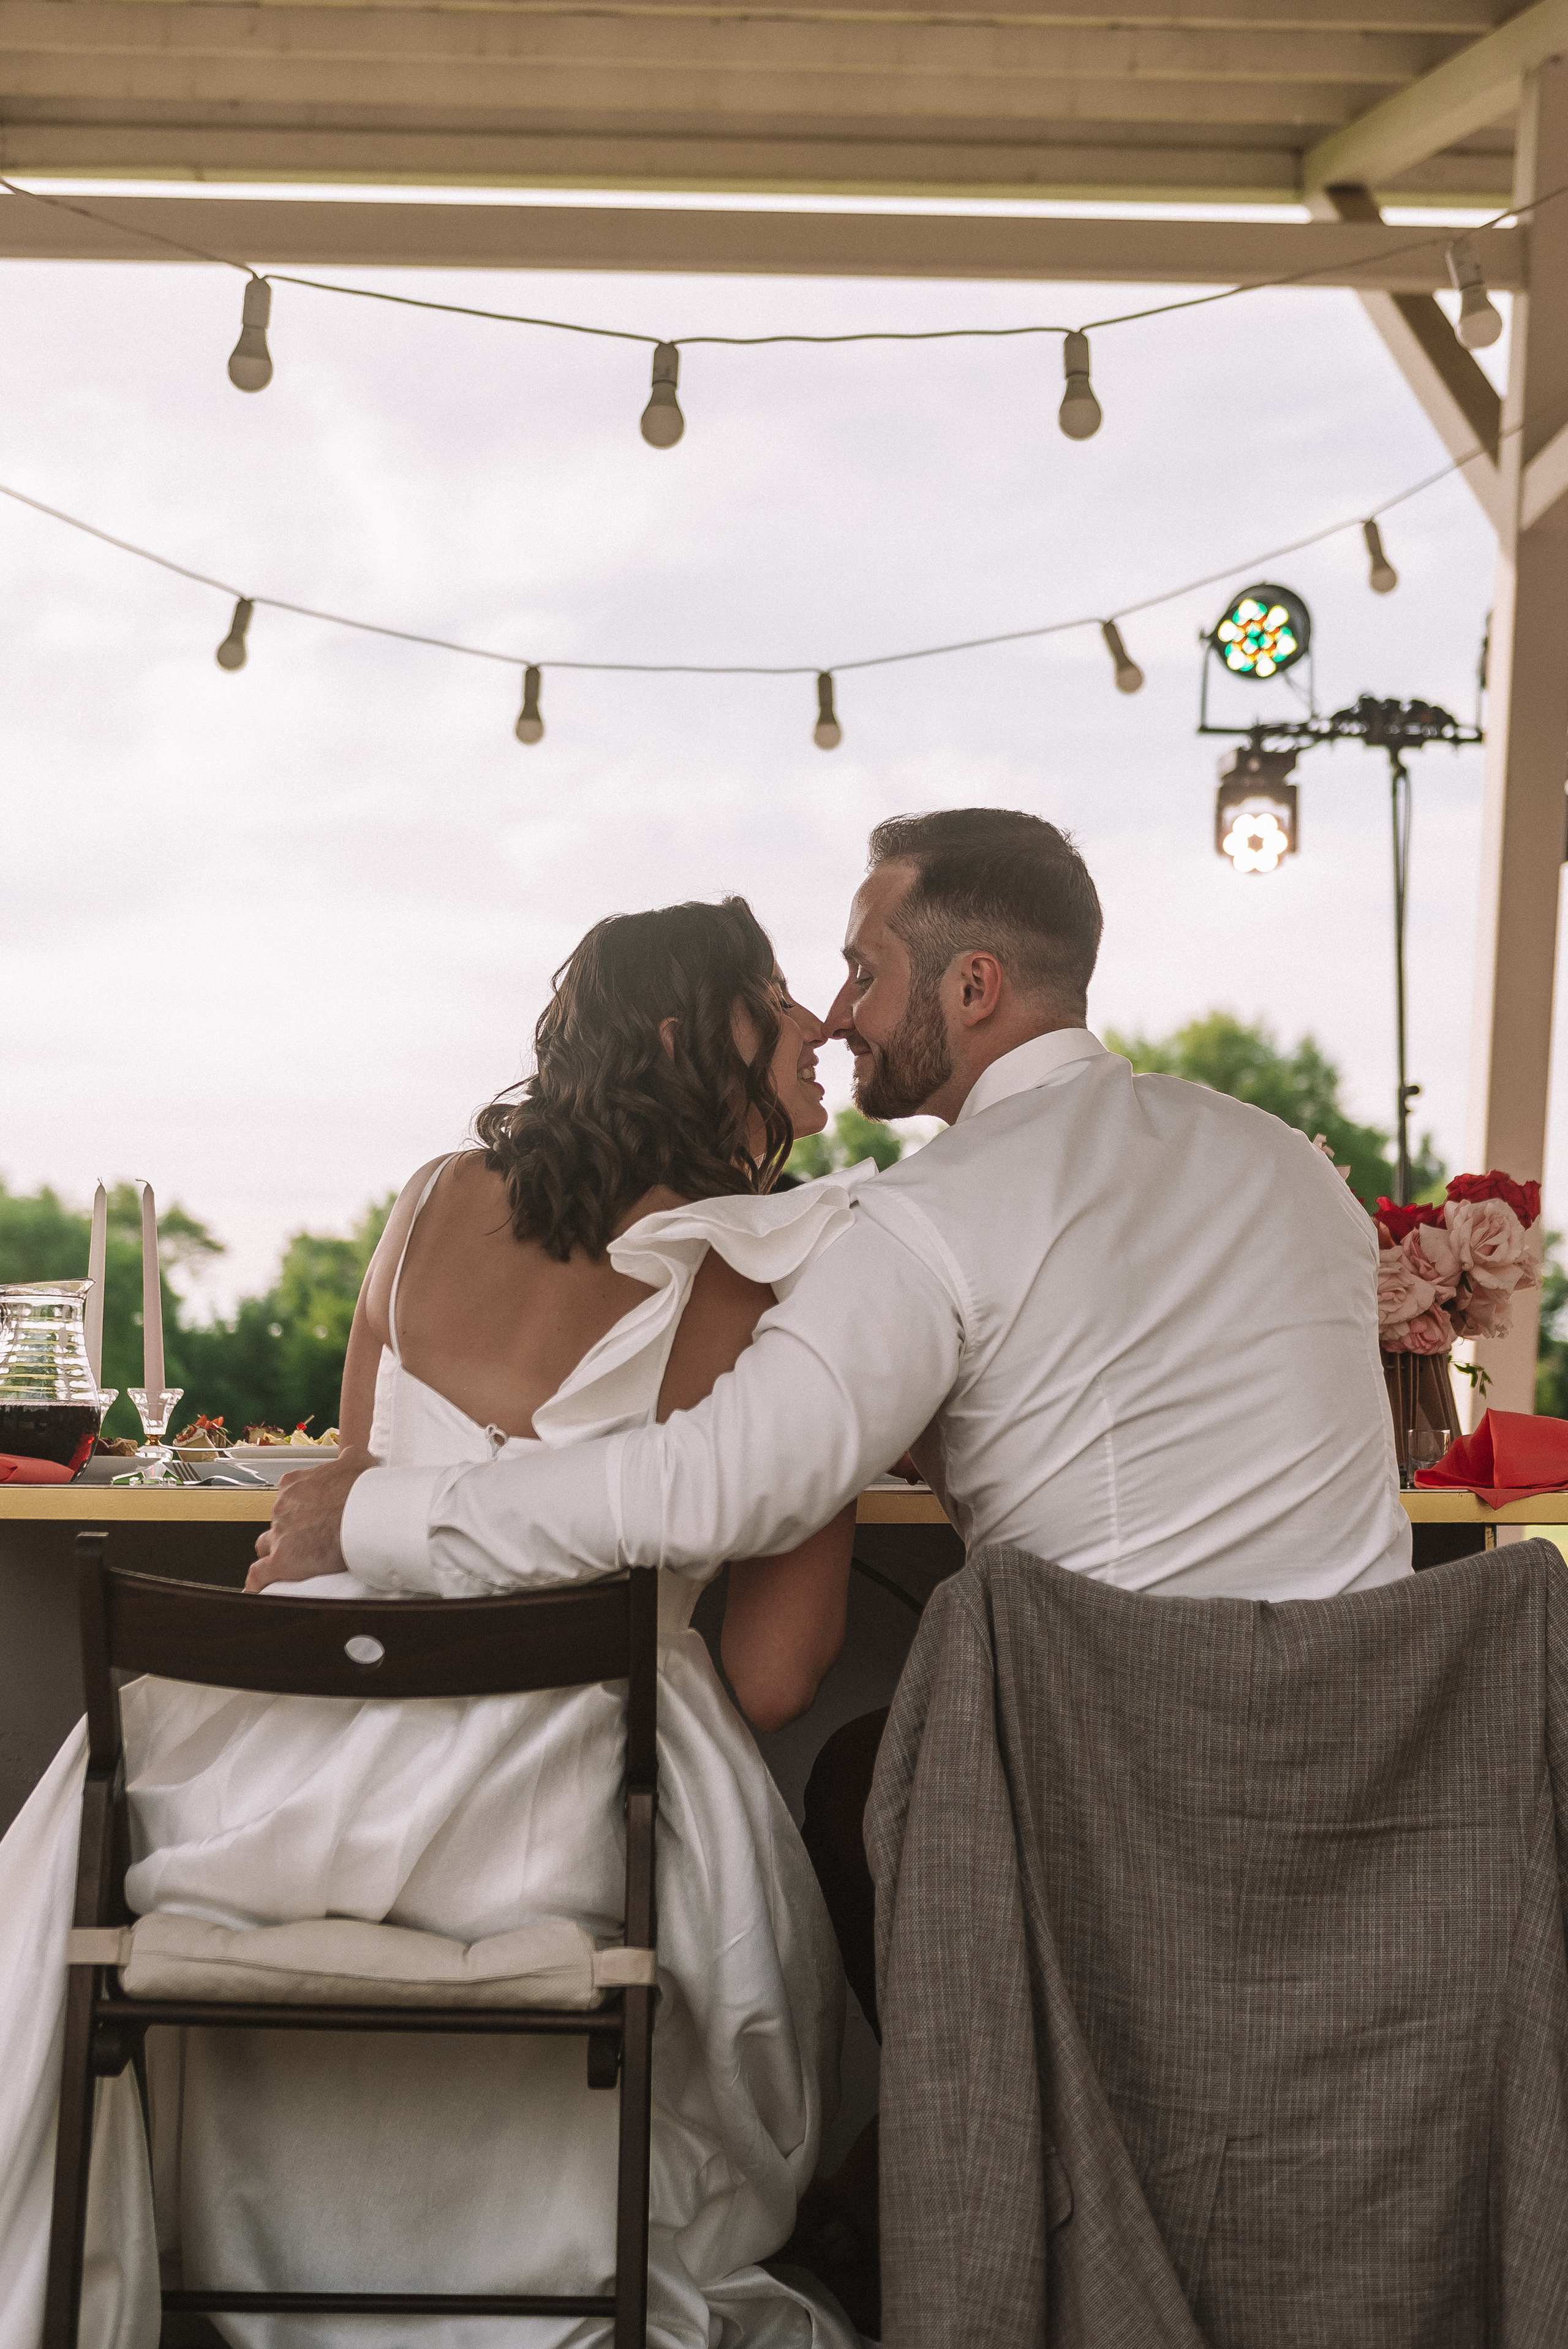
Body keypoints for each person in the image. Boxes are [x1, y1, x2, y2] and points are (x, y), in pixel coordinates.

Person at [255, 806, 1411, 2035]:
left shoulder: (924, 1218)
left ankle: (968, 2158)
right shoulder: (1290, 1164)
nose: (838, 1012)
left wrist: (375, 1514)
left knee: (871, 1785)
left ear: (971, 987)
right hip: (1380, 1762)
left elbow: (715, 1485)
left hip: (1125, 1770)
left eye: (863, 972)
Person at [0, 898, 870, 2349]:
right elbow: (778, 1678)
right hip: (554, 1810)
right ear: (679, 1034)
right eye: (771, 998)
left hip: (279, 1766)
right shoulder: (786, 1273)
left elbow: (346, 1503)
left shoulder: (424, 1202)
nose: (813, 1025)